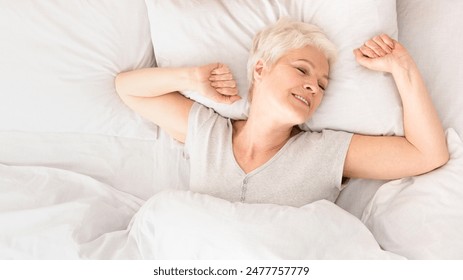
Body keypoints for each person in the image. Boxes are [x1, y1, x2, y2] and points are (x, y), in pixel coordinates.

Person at [115, 18, 449, 207]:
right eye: (302, 70)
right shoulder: (207, 132)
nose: (314, 88)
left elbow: (427, 153)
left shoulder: (325, 152)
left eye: (322, 84)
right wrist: (192, 78)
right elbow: (127, 88)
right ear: (260, 69)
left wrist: (402, 68)